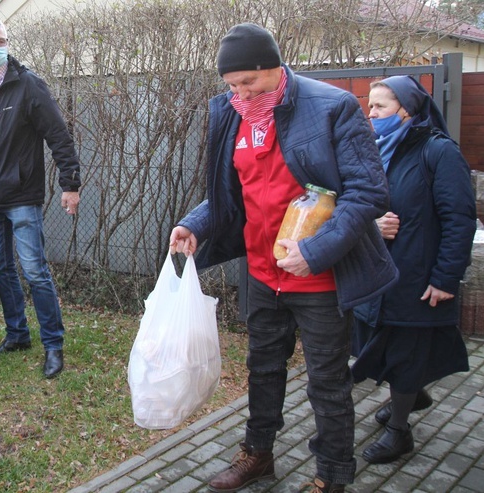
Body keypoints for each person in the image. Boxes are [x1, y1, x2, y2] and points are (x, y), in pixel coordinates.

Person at [169, 23, 398, 493]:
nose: (239, 93)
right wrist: (194, 223)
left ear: (272, 67)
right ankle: (258, 456)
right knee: (263, 369)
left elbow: (369, 192)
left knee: (328, 383)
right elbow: (228, 195)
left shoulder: (331, 107)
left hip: (320, 276)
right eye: (230, 85)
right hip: (261, 272)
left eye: (247, 82)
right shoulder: (232, 114)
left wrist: (316, 251)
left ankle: (332, 475)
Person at [351, 76, 477, 464]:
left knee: (406, 349)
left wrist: (445, 277)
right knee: (378, 342)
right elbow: (357, 203)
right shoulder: (374, 151)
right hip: (378, 272)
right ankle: (413, 393)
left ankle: (399, 431)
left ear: (406, 109)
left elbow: (459, 218)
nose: (371, 115)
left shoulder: (438, 152)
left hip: (418, 275)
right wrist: (371, 226)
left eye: (379, 107)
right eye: (369, 107)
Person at [0, 18, 81, 379]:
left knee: (34, 270)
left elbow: (59, 136)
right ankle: (17, 335)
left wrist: (69, 183)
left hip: (22, 196)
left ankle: (53, 344)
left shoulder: (28, 86)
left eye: (1, 40)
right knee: (2, 268)